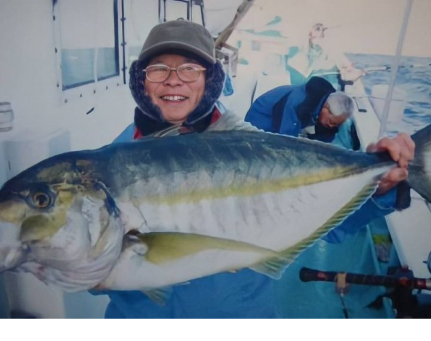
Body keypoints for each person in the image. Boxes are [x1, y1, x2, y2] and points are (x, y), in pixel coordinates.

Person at [105, 20, 415, 319]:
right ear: (141, 80)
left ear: (209, 79)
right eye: (158, 69)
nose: (174, 80)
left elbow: (329, 228)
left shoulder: (252, 150)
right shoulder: (112, 164)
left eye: (190, 69)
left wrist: (379, 186)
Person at [245, 77, 360, 150]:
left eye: (336, 125)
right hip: (259, 124)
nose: (331, 126)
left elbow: (325, 137)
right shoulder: (298, 104)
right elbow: (285, 141)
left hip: (284, 122)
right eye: (331, 122)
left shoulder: (322, 102)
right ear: (325, 107)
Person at [287, 23, 365, 90]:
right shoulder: (297, 55)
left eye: (323, 30)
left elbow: (347, 68)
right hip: (313, 91)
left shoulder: (331, 51)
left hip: (331, 91)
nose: (321, 34)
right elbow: (299, 81)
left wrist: (352, 71)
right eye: (318, 29)